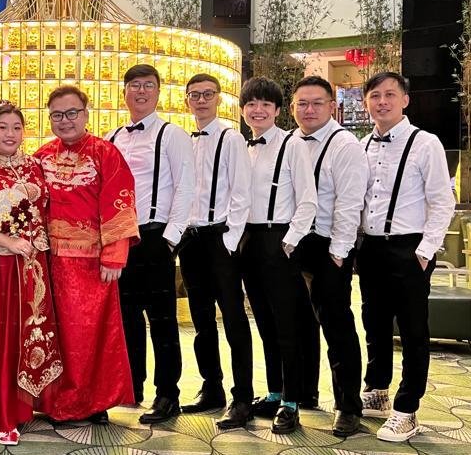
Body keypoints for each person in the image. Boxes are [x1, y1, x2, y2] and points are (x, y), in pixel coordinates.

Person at [0, 101, 63, 445]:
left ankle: (26, 406)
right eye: (2, 127)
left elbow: (42, 214)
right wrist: (8, 240)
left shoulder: (34, 167)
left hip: (32, 266)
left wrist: (34, 244)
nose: (10, 134)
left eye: (17, 127)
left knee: (30, 334)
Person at [359, 71, 455, 442]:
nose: (381, 102)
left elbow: (442, 201)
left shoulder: (424, 143)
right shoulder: (362, 144)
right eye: (375, 96)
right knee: (374, 323)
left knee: (413, 329)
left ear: (405, 100)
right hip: (371, 247)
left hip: (409, 248)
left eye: (389, 95)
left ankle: (407, 408)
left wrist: (425, 251)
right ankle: (378, 388)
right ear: (367, 103)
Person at [35, 85, 137, 424]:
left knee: (89, 333)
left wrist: (114, 255)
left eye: (72, 113)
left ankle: (93, 402)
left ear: (86, 113)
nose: (65, 121)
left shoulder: (105, 153)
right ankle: (53, 400)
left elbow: (120, 201)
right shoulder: (41, 156)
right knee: (53, 332)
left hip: (91, 263)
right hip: (48, 262)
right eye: (57, 115)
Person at [107, 64, 195, 424]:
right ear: (124, 92)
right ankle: (132, 386)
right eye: (134, 85)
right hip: (120, 239)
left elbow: (186, 186)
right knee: (126, 318)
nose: (140, 92)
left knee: (161, 320)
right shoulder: (112, 136)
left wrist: (170, 239)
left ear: (158, 92)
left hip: (156, 236)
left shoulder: (172, 135)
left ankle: (167, 394)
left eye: (148, 86)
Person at [238, 77, 317, 434]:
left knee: (288, 326)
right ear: (243, 110)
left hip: (278, 239)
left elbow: (308, 200)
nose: (258, 110)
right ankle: (273, 391)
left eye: (266, 105)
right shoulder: (242, 146)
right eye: (252, 104)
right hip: (248, 241)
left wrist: (289, 242)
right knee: (265, 323)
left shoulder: (292, 145)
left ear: (277, 110)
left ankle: (292, 401)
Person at [176, 73, 254, 430]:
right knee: (201, 318)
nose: (201, 100)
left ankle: (242, 397)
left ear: (219, 98)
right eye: (195, 95)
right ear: (187, 100)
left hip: (221, 237)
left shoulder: (232, 138)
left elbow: (241, 192)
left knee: (234, 319)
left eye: (208, 94)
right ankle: (212, 387)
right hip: (190, 239)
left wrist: (230, 239)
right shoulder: (183, 140)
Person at [291, 76, 368, 438]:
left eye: (316, 103)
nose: (308, 110)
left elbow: (350, 202)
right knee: (298, 322)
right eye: (302, 104)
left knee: (336, 325)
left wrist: (339, 251)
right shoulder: (290, 141)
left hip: (328, 246)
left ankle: (348, 406)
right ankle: (304, 392)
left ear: (331, 107)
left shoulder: (345, 145)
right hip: (293, 244)